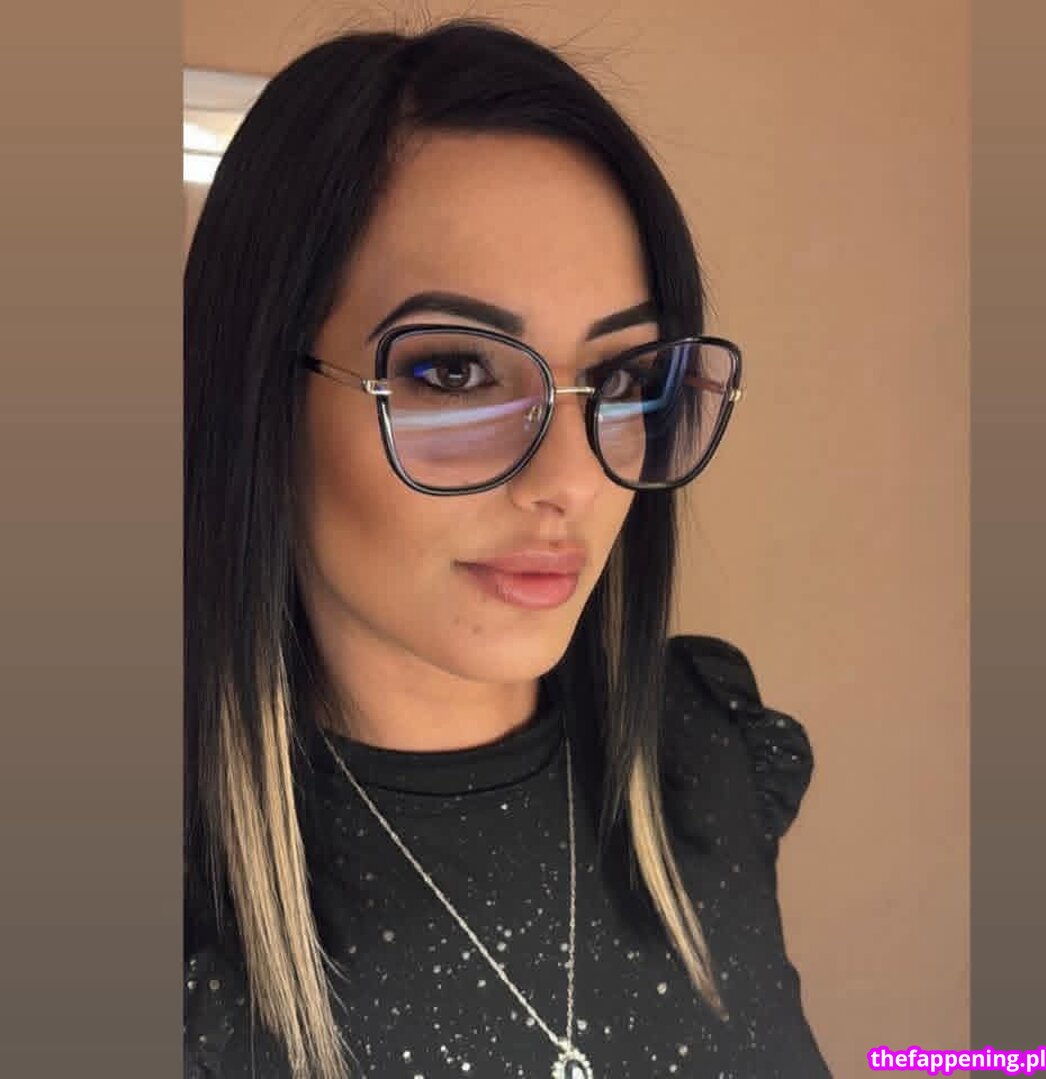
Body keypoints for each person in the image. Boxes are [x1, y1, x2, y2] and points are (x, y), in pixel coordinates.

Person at [184, 19, 831, 1079]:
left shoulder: (702, 758)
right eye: (454, 372)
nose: (571, 479)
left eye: (622, 380)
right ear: (261, 391)